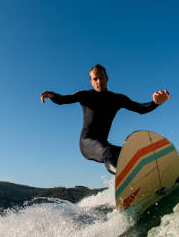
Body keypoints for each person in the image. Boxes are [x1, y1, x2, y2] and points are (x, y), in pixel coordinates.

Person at [40, 64, 170, 175]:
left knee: (130, 152)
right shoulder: (85, 95)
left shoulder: (117, 99)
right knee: (108, 151)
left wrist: (155, 103)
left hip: (104, 143)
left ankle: (152, 173)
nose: (98, 81)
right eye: (95, 79)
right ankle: (125, 177)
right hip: (87, 143)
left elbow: (140, 108)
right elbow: (63, 99)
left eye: (101, 77)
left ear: (107, 78)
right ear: (91, 82)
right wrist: (52, 95)